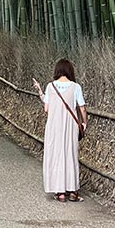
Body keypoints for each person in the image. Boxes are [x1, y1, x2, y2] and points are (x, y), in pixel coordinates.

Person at [32, 59, 87, 203]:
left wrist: (40, 92)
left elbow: (47, 109)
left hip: (54, 127)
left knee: (56, 156)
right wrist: (84, 123)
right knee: (71, 156)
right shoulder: (76, 87)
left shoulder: (51, 87)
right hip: (70, 126)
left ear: (57, 70)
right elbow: (81, 107)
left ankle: (60, 192)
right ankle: (73, 191)